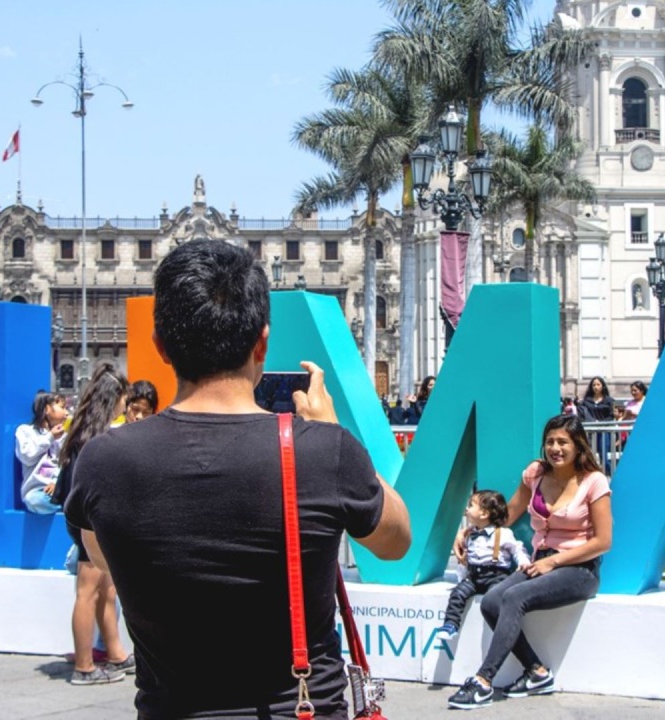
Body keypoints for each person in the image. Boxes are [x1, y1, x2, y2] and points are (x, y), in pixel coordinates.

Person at [64, 239, 410, 718]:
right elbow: (396, 541)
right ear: (261, 343)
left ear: (160, 346)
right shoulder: (322, 450)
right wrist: (332, 433)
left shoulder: (104, 463)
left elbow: (103, 553)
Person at [448, 414, 612, 709]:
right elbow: (508, 514)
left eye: (563, 442)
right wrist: (470, 531)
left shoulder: (593, 481)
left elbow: (602, 542)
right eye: (550, 441)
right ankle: (537, 672)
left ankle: (483, 681)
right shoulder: (535, 473)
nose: (555, 448)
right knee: (491, 602)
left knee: (513, 597)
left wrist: (555, 562)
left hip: (579, 569)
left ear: (578, 446)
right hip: (540, 562)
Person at [50, 363, 135, 686]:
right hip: (92, 522)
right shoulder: (94, 440)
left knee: (104, 589)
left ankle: (115, 653)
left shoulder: (83, 435)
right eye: (122, 402)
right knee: (89, 591)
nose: (123, 408)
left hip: (88, 519)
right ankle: (84, 665)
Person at [435, 490, 529, 640]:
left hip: (496, 576)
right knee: (458, 594)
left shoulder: (503, 533)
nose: (466, 509)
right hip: (474, 577)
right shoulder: (470, 535)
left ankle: (501, 628)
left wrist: (524, 562)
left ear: (484, 514)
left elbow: (517, 548)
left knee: (494, 598)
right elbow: (466, 559)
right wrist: (462, 577)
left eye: (471, 505)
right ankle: (451, 624)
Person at [15, 391, 69, 515]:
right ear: (47, 409)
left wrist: (56, 483)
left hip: (59, 489)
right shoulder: (25, 431)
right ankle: (68, 506)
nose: (67, 413)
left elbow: (65, 464)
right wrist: (50, 437)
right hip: (37, 492)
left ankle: (66, 503)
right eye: (62, 407)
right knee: (33, 500)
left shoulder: (64, 438)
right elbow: (27, 457)